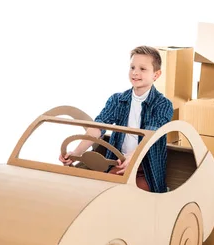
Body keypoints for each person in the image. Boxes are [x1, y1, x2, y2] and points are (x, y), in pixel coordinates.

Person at [59, 45, 173, 193]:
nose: (135, 73)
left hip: (145, 169)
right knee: (104, 190)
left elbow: (151, 135)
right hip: (118, 163)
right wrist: (77, 152)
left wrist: (133, 157)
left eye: (142, 69)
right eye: (132, 67)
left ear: (156, 75)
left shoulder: (163, 104)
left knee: (132, 193)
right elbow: (97, 127)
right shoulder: (118, 100)